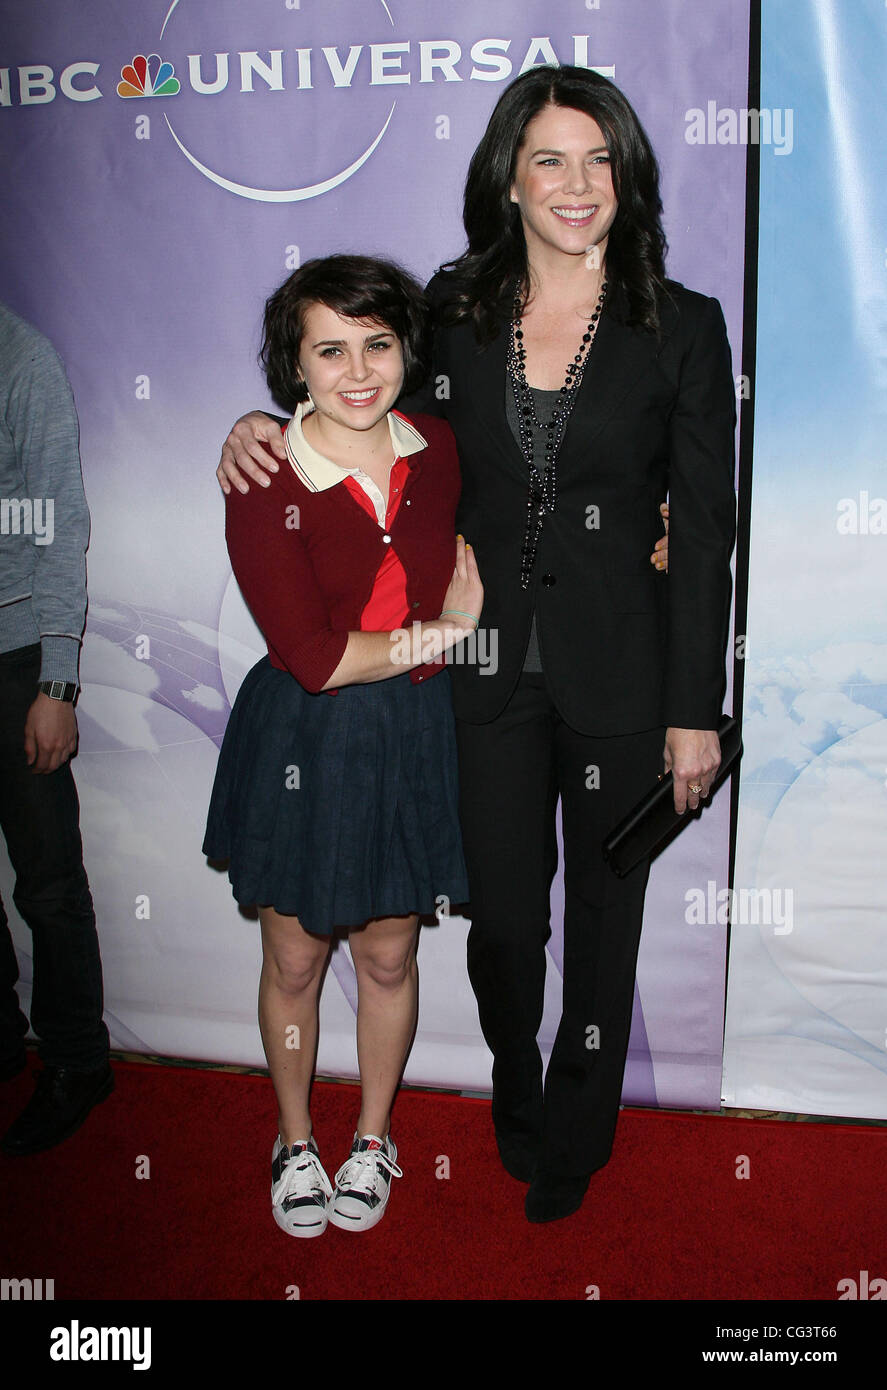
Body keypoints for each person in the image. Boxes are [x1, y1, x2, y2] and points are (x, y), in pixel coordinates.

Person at [217, 65, 735, 1224]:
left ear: (627, 177)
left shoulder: (681, 326)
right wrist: (257, 424)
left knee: (604, 923)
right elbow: (356, 405)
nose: (575, 183)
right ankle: (515, 1088)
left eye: (599, 159)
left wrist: (691, 707)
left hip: (622, 674)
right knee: (504, 922)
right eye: (548, 158)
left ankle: (577, 1131)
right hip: (477, 672)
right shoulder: (449, 311)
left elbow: (702, 532)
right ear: (508, 174)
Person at [203, 255, 484, 1236]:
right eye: (329, 349)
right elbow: (315, 659)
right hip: (305, 739)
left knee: (388, 957)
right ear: (295, 365)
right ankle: (292, 1141)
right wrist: (439, 638)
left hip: (408, 732)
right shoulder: (262, 470)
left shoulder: (438, 447)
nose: (357, 369)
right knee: (291, 960)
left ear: (406, 348)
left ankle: (371, 1138)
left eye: (376, 343)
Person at [0, 301, 113, 1156]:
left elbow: (57, 523)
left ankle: (77, 1060)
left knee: (46, 882)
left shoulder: (21, 359)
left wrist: (58, 679)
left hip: (16, 660)